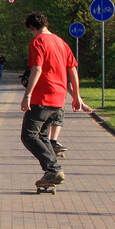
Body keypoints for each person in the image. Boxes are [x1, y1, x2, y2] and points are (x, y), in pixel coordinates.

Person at [21, 12, 92, 187]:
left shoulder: (38, 42)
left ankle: (53, 169)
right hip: (59, 100)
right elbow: (73, 70)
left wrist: (27, 95)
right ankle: (52, 171)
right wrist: (76, 97)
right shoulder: (61, 42)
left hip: (42, 97)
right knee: (43, 135)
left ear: (32, 27)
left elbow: (37, 69)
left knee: (28, 135)